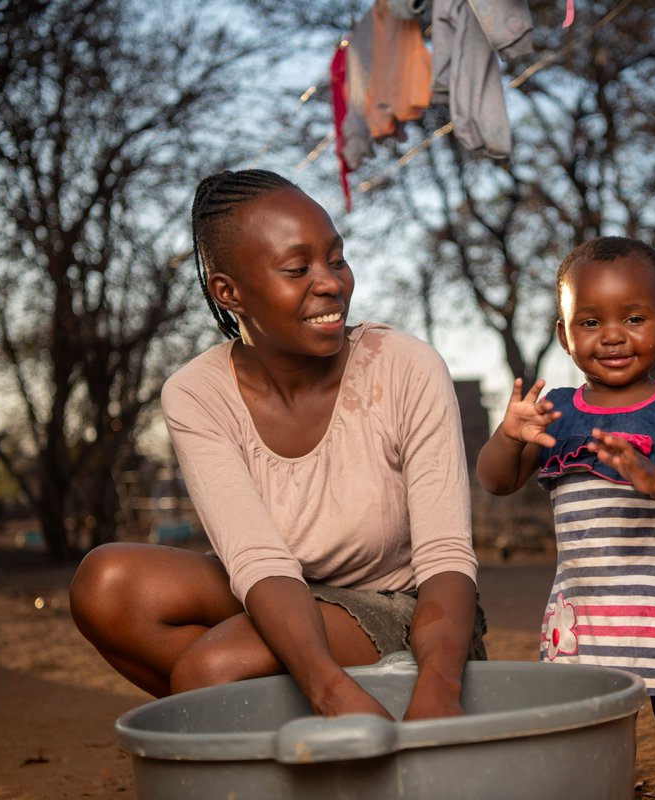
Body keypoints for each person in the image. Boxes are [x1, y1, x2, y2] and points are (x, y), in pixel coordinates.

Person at [70, 169, 485, 721]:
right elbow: (258, 561)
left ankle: (311, 726)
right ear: (229, 292)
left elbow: (445, 556)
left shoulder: (404, 366)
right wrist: (329, 691)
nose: (331, 282)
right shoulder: (197, 393)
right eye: (297, 269)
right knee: (107, 586)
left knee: (211, 671)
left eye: (336, 259)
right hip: (282, 594)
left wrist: (441, 687)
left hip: (407, 611)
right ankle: (317, 730)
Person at [476, 236, 655, 799]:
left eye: (634, 317)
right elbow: (496, 481)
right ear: (563, 335)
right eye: (589, 321)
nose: (612, 336)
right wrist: (510, 436)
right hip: (590, 608)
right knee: (591, 724)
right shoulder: (555, 412)